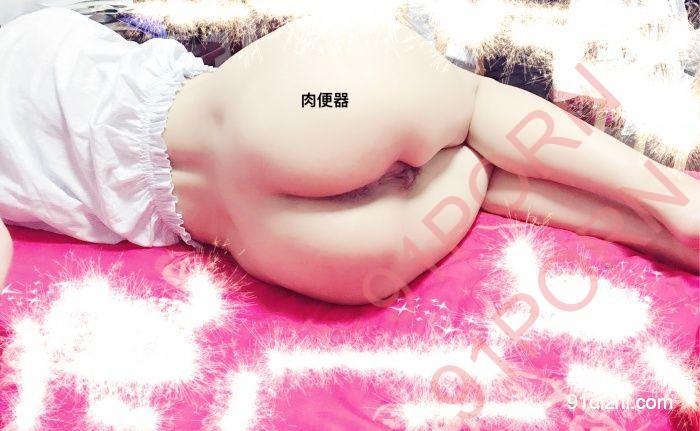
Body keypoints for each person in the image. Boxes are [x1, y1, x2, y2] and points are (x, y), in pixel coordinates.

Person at [0, 8, 697, 304]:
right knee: (476, 110)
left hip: (273, 235)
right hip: (295, 103)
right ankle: (672, 198)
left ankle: (656, 236)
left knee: (472, 175)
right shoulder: (31, 29)